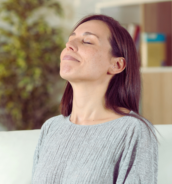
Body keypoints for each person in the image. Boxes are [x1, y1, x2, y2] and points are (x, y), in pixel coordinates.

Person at [31, 14, 159, 184]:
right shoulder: (51, 128)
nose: (69, 45)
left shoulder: (133, 130)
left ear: (116, 65)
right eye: (70, 40)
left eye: (87, 41)